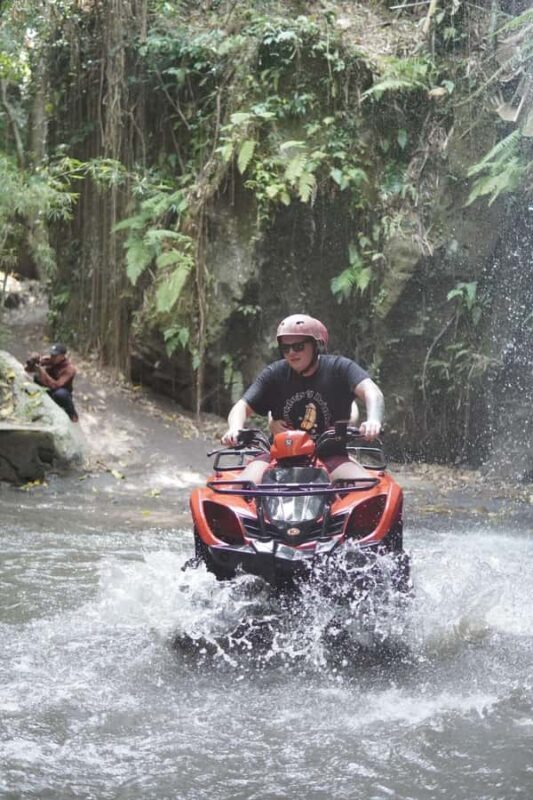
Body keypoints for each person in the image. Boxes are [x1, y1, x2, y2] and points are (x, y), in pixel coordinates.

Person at [221, 314, 384, 482]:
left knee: (366, 489)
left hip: (330, 455)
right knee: (240, 487)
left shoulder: (339, 368)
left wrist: (374, 420)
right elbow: (241, 407)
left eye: (298, 346)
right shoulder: (274, 373)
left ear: (317, 346)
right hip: (279, 455)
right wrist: (234, 429)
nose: (291, 352)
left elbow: (372, 392)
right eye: (285, 348)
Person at [25, 343, 79, 422]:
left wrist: (42, 372)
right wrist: (32, 361)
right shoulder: (49, 360)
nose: (52, 357)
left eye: (55, 356)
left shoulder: (69, 369)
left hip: (60, 391)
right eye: (52, 354)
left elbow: (56, 385)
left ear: (62, 356)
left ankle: (72, 413)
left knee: (61, 394)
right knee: (36, 377)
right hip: (48, 387)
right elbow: (27, 369)